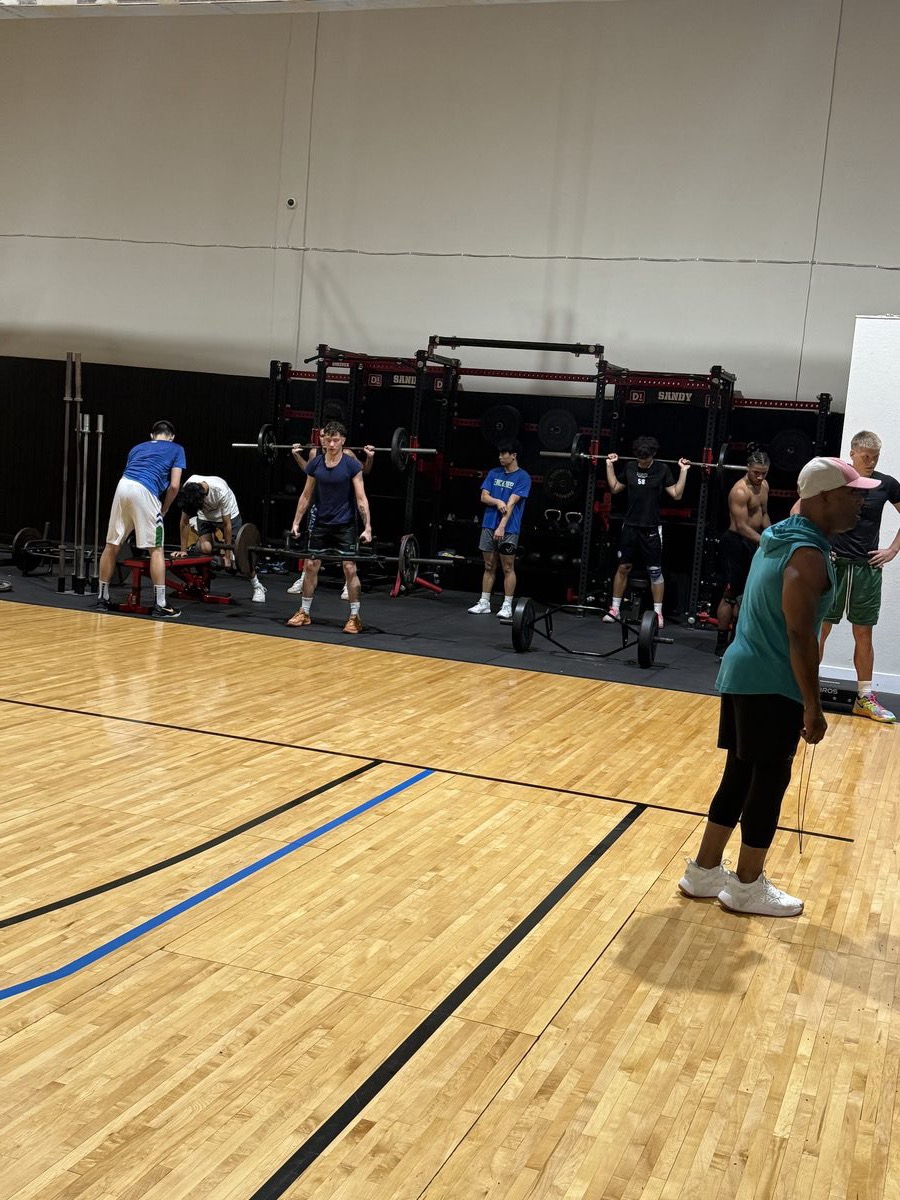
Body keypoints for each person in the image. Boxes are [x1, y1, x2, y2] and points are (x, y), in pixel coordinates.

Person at [679, 457, 878, 917]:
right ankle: (747, 884)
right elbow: (798, 634)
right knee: (769, 778)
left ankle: (704, 871)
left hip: (743, 672)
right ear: (826, 497)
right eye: (854, 493)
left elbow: (796, 517)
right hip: (772, 679)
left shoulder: (780, 535)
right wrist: (813, 704)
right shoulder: (806, 556)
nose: (862, 501)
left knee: (741, 771)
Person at [819, 431, 900, 723]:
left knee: (863, 632)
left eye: (875, 457)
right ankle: (800, 690)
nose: (871, 461)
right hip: (835, 565)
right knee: (821, 627)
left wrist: (892, 550)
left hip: (866, 569)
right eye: (866, 456)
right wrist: (820, 546)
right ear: (852, 452)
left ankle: (864, 698)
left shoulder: (885, 484)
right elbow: (810, 511)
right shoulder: (835, 478)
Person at [286, 421, 372, 633]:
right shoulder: (316, 465)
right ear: (323, 440)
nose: (332, 444)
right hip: (321, 523)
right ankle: (304, 612)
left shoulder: (352, 465)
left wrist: (367, 527)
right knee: (310, 566)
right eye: (328, 440)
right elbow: (306, 495)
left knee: (349, 567)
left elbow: (361, 498)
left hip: (345, 525)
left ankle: (354, 617)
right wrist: (296, 522)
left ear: (343, 441)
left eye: (336, 440)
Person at [95, 419, 186, 618]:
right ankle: (160, 604)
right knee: (156, 548)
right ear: (171, 437)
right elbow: (174, 486)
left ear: (152, 436)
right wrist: (165, 508)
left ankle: (102, 598)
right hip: (145, 491)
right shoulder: (176, 448)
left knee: (112, 544)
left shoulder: (137, 448)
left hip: (123, 486)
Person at [603, 436, 691, 628]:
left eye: (645, 458)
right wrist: (610, 465)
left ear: (653, 455)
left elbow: (676, 494)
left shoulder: (662, 469)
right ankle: (615, 608)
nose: (642, 462)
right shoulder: (629, 468)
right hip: (631, 527)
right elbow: (615, 488)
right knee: (623, 567)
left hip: (651, 528)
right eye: (639, 459)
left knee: (655, 571)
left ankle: (658, 613)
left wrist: (683, 472)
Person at [173, 475, 266, 604]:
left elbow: (227, 525)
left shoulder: (220, 490)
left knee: (239, 556)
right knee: (204, 548)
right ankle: (206, 579)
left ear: (204, 499)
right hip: (205, 517)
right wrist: (183, 551)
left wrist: (228, 555)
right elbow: (184, 522)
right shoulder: (189, 489)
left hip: (230, 517)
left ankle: (257, 586)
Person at [715, 450, 771, 656]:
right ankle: (721, 643)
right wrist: (766, 541)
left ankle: (737, 640)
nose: (760, 477)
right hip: (735, 543)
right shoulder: (739, 491)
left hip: (753, 541)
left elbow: (763, 515)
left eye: (764, 473)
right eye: (756, 473)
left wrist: (773, 534)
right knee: (730, 594)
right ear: (748, 468)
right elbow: (740, 526)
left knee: (746, 595)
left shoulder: (764, 486)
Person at [468, 440, 531, 620]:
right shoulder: (494, 473)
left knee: (508, 567)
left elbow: (511, 504)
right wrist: (497, 502)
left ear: (514, 455)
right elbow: (484, 496)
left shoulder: (523, 477)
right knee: (488, 565)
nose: (500, 457)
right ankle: (484, 602)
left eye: (504, 454)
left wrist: (502, 526)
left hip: (509, 528)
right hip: (488, 524)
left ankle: (507, 605)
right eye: (500, 454)